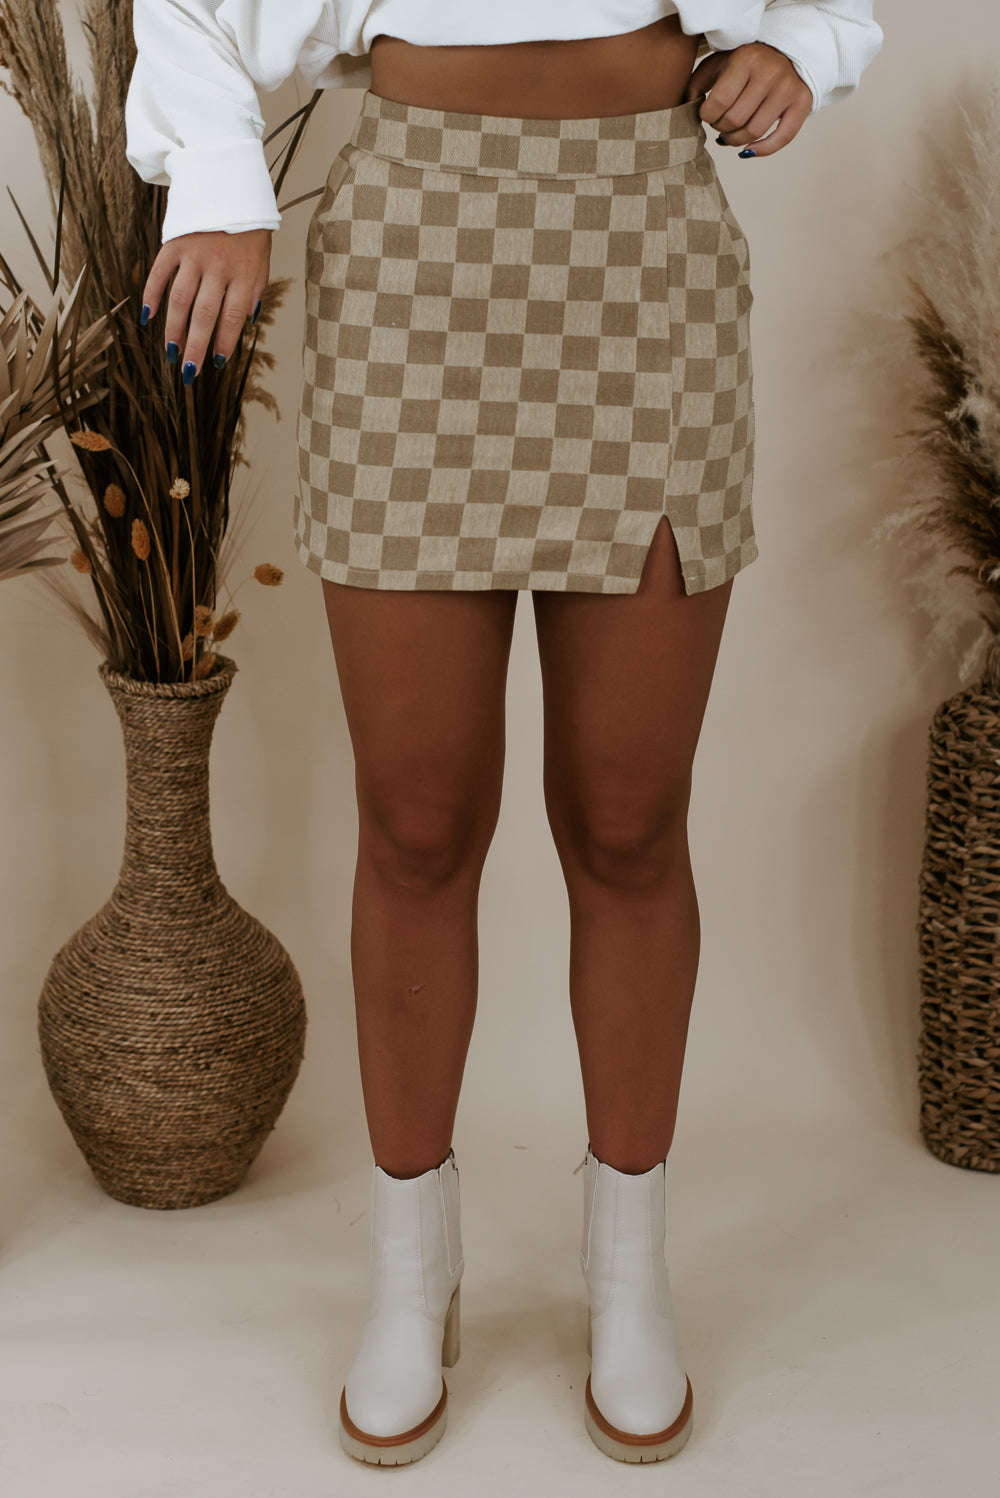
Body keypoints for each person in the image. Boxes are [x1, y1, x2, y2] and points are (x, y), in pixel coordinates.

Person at [125, 0, 883, 1468]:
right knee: (416, 823)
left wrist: (813, 40)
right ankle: (412, 1275)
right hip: (413, 249)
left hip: (651, 248)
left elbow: (823, 17)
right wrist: (218, 182)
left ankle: (628, 1270)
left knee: (629, 820)